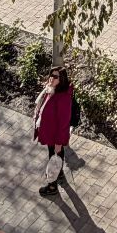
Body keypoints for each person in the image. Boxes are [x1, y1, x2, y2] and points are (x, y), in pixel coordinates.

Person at [32, 66, 75, 196]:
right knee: (55, 155)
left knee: (54, 156)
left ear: (61, 79)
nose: (51, 78)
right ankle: (59, 172)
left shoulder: (62, 98)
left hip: (55, 134)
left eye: (55, 76)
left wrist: (59, 141)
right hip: (50, 132)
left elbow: (63, 123)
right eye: (51, 75)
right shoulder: (51, 89)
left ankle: (52, 187)